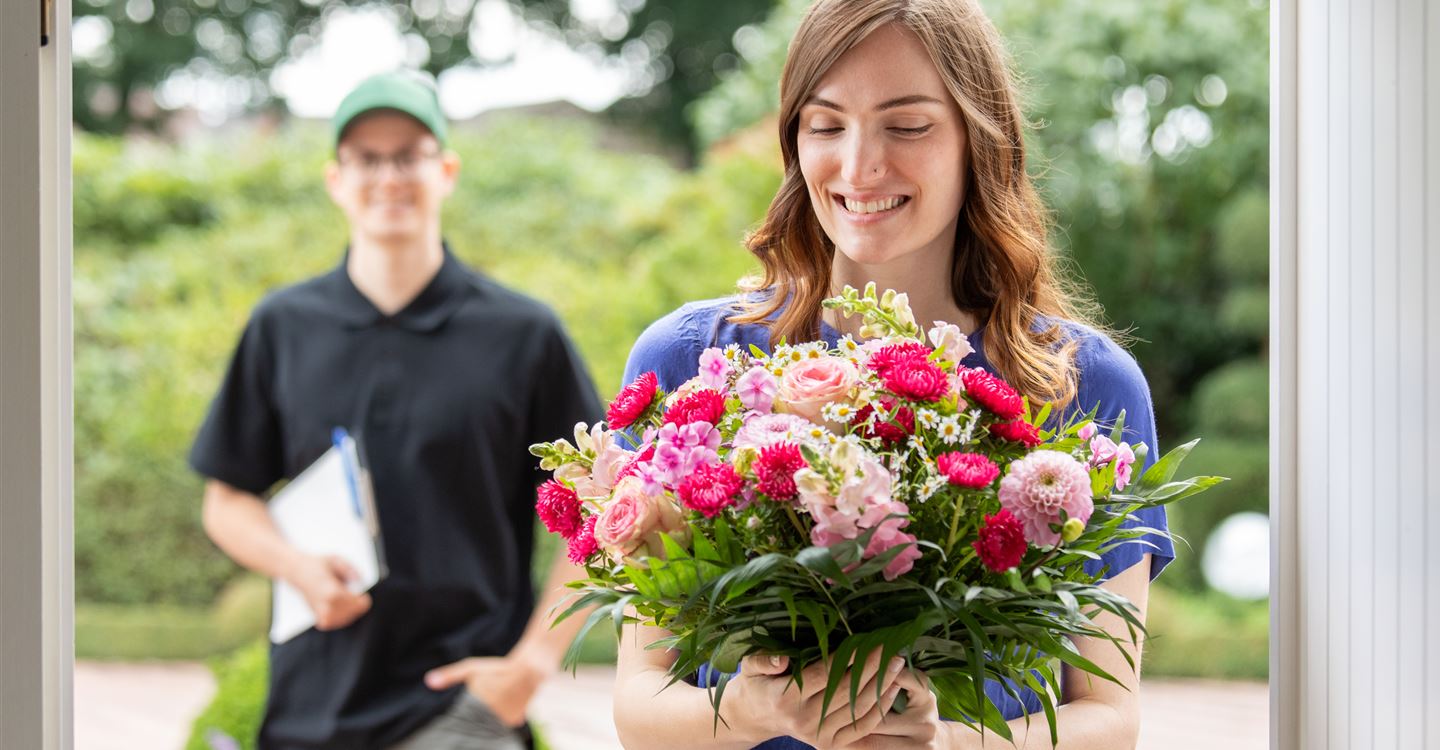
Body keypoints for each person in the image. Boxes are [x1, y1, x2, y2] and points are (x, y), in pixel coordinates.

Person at [611, 1, 1174, 748]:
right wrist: (757, 714)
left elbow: (1110, 713)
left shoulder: (1084, 385)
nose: (859, 166)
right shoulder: (688, 363)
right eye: (825, 124)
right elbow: (639, 703)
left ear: (981, 139)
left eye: (907, 125)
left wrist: (944, 744)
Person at [189, 71, 603, 750]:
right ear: (335, 180)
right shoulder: (283, 326)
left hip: (463, 712)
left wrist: (532, 664)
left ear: (445, 170)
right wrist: (296, 568)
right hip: (309, 711)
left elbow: (600, 512)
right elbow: (225, 499)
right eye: (368, 159)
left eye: (408, 156)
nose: (389, 177)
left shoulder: (522, 335)